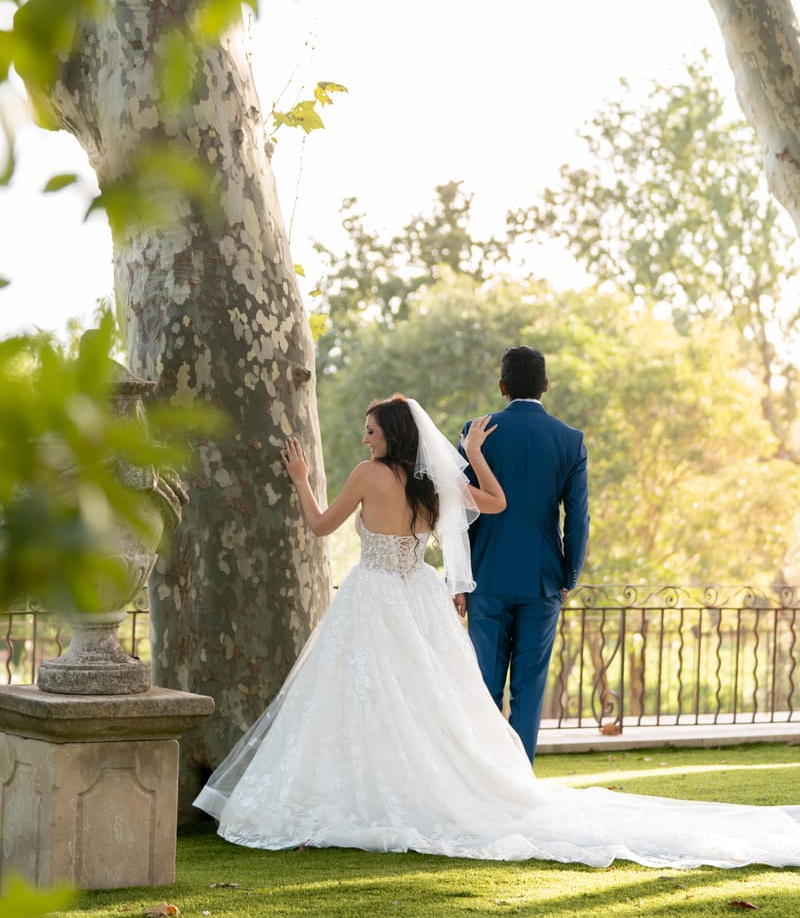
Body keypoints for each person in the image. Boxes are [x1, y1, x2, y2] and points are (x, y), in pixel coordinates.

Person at [194, 395, 800, 868]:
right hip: (419, 596)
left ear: (391, 436)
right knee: (429, 705)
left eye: (372, 429)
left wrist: (300, 475)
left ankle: (369, 793)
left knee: (367, 699)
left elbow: (320, 526)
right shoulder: (434, 485)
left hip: (374, 597)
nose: (365, 437)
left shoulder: (366, 475)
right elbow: (496, 502)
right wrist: (473, 450)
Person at [457, 346, 590, 761]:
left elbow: (459, 511)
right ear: (546, 386)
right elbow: (578, 519)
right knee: (529, 690)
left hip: (485, 577)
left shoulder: (474, 432)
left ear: (502, 387)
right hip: (542, 580)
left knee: (483, 687)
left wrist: (456, 579)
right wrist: (569, 576)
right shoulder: (570, 440)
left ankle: (485, 781)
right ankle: (521, 783)